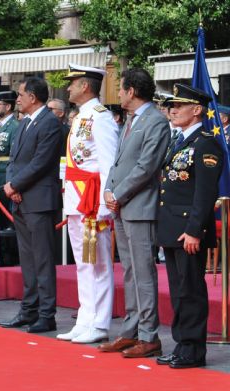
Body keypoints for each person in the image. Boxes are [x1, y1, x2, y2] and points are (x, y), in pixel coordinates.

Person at [100, 68, 170, 357]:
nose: (118, 94)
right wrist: (108, 190)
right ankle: (130, 330)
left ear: (131, 91)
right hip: (123, 205)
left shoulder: (155, 121)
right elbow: (118, 163)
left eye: (121, 88)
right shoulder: (130, 120)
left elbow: (147, 166)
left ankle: (149, 334)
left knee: (143, 272)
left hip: (140, 205)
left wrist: (118, 193)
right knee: (129, 271)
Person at [155, 84, 221, 369]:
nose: (173, 110)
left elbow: (205, 193)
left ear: (196, 110)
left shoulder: (205, 143)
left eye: (180, 106)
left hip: (188, 229)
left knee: (190, 290)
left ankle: (193, 350)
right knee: (179, 289)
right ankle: (182, 345)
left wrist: (195, 229)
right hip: (172, 227)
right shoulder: (178, 140)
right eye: (172, 105)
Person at [55, 64, 118, 344]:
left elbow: (107, 163)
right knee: (83, 263)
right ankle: (85, 317)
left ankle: (100, 322)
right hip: (76, 196)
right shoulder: (81, 116)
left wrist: (106, 204)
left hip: (93, 199)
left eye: (73, 83)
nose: (68, 88)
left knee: (99, 263)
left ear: (85, 86)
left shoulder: (100, 118)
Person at [0, 77, 62, 333]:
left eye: (21, 94)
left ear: (33, 97)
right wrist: (12, 184)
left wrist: (14, 186)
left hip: (38, 200)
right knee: (28, 258)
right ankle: (29, 309)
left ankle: (47, 314)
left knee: (43, 259)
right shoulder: (24, 123)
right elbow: (14, 160)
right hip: (22, 198)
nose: (18, 99)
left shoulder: (50, 123)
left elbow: (41, 162)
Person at [0, 91, 20, 232]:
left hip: (6, 173)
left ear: (8, 106)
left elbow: (14, 154)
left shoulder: (15, 126)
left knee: (7, 211)